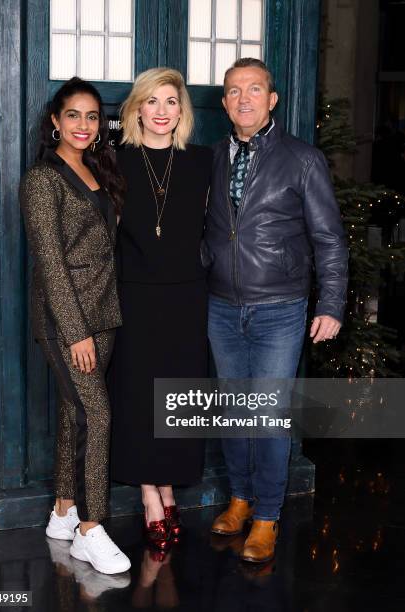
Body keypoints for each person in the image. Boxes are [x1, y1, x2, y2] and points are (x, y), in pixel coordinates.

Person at [203, 58, 348, 563]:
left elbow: (329, 238)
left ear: (272, 99)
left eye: (255, 89)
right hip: (221, 307)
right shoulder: (212, 157)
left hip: (280, 309)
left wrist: (330, 303)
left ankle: (266, 516)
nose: (244, 98)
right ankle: (239, 500)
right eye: (234, 91)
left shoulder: (302, 158)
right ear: (224, 102)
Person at [20, 77, 130, 575]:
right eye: (73, 116)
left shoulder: (95, 170)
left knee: (73, 412)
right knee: (97, 414)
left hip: (104, 312)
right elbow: (50, 262)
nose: (84, 125)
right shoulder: (42, 179)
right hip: (68, 319)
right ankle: (91, 528)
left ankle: (63, 512)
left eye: (92, 117)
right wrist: (75, 331)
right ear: (55, 122)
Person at [110, 68, 212, 549]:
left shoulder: (202, 162)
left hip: (187, 297)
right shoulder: (113, 162)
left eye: (171, 101)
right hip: (134, 296)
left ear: (181, 110)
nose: (161, 111)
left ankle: (168, 484)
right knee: (138, 396)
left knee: (177, 396)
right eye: (151, 102)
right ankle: (152, 494)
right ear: (136, 109)